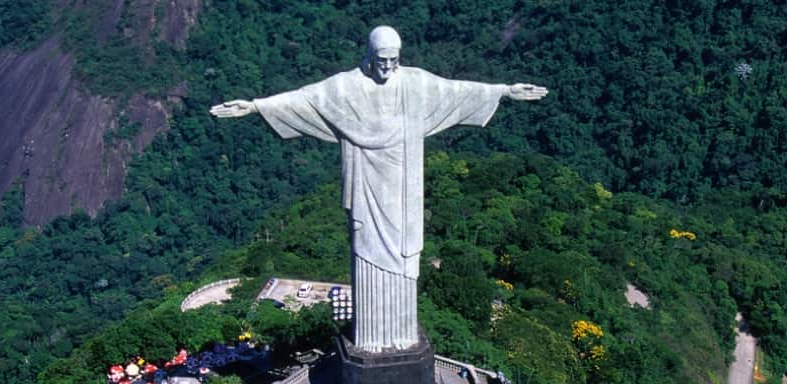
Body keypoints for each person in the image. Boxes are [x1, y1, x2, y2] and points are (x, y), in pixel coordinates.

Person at [211, 26, 547, 352]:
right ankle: (370, 337)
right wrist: (256, 106)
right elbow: (305, 99)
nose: (387, 67)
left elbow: (457, 91)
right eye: (381, 60)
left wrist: (503, 91)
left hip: (404, 189)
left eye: (393, 60)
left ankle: (401, 334)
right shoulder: (346, 87)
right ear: (369, 56)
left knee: (403, 256)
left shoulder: (416, 83)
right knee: (368, 253)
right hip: (367, 188)